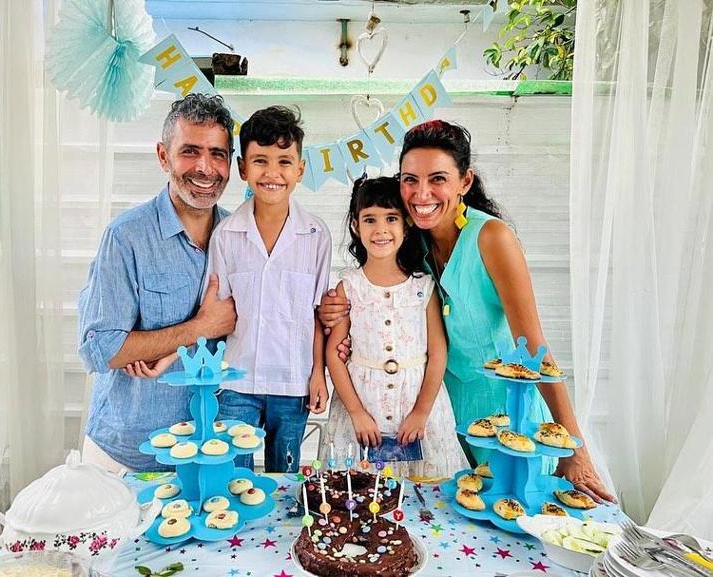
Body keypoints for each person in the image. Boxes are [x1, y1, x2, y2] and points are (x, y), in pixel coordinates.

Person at [320, 120, 615, 503]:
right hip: (443, 423)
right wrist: (334, 311)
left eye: (437, 179)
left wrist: (575, 449)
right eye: (410, 180)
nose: (421, 193)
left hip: (505, 422)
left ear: (465, 182)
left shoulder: (493, 238)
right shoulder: (413, 242)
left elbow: (533, 347)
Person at [137, 106, 332, 473]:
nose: (272, 173)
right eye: (260, 161)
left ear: (301, 169)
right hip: (237, 383)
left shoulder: (316, 235)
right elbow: (210, 315)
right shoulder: (226, 235)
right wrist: (167, 355)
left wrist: (318, 373)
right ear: (242, 168)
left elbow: (319, 314)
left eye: (284, 162)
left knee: (285, 477)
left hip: (294, 383)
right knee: (234, 477)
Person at [77, 94, 237, 472]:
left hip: (211, 452)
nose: (205, 168)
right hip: (128, 458)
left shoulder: (239, 237)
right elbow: (103, 350)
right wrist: (201, 327)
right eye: (190, 151)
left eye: (217, 154)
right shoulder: (126, 237)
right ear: (164, 156)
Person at [319, 176, 469, 479]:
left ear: (406, 224)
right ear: (355, 226)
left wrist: (421, 412)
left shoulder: (423, 287)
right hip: (364, 404)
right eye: (370, 219)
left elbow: (437, 354)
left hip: (418, 404)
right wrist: (357, 413)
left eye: (391, 218)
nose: (381, 229)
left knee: (428, 488)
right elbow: (334, 354)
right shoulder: (350, 286)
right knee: (360, 491)